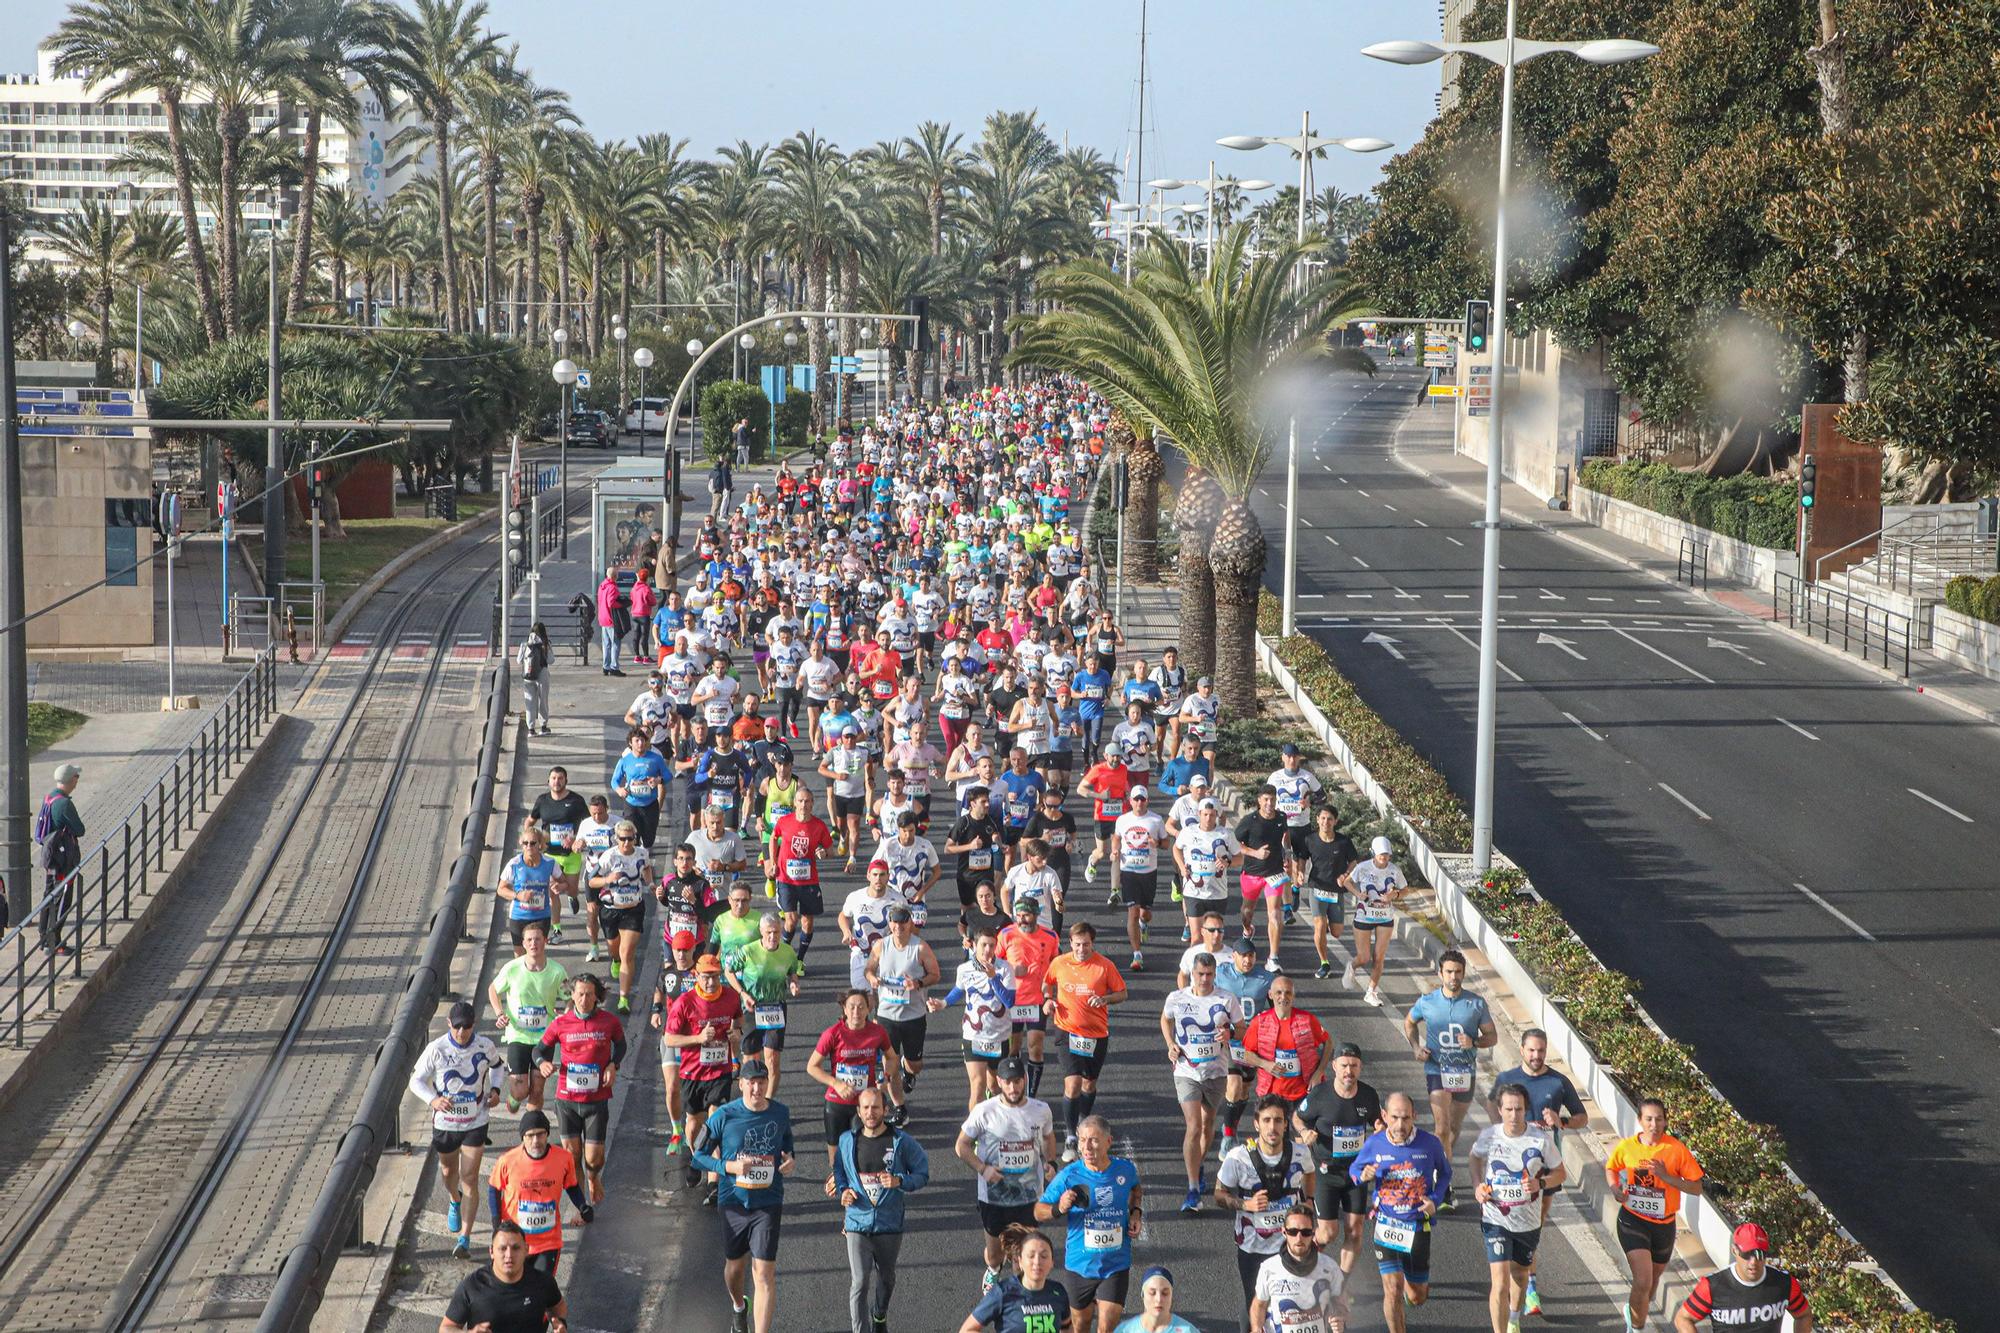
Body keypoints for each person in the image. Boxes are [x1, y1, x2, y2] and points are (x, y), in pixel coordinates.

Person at [1485, 1028, 1588, 1316]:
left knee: (1535, 1224)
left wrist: (1561, 1121)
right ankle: (1517, 1275)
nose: (1536, 1055)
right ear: (1521, 1050)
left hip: (1543, 1168)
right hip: (1510, 1169)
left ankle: (1527, 1279)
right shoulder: (1507, 1079)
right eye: (1531, 1050)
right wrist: (1499, 1131)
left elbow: (1582, 1117)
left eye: (1541, 1050)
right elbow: (1490, 1103)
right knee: (1510, 1220)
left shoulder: (1557, 1082)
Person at [691, 1057, 795, 1333]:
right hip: (733, 1202)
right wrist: (728, 1167)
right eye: (752, 1083)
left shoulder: (780, 1113)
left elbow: (787, 1145)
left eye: (762, 1083)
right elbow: (698, 1157)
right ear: (741, 1084)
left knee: (764, 1273)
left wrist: (789, 1160)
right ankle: (739, 1306)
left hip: (768, 1202)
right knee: (735, 1269)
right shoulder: (723, 1115)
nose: (757, 1089)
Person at [830, 1086, 931, 1333]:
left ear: (885, 1110)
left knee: (886, 1277)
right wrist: (843, 1191)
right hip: (857, 1222)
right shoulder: (847, 1141)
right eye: (865, 1108)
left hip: (889, 1223)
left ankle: (880, 1314)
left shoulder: (901, 1142)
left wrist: (901, 1181)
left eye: (875, 1107)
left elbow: (922, 1173)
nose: (871, 1112)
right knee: (860, 1282)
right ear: (859, 1111)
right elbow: (839, 1171)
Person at [1349, 1092, 1451, 1333]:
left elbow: (1445, 1174)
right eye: (1394, 1118)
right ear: (1384, 1116)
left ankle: (1412, 1289)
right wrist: (1361, 1176)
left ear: (1414, 1116)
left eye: (1406, 1118)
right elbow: (1355, 1168)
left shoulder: (1430, 1144)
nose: (1400, 1125)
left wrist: (1435, 1200)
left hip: (1417, 1225)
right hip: (1386, 1224)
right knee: (1392, 1289)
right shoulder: (1374, 1143)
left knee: (1417, 1297)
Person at [957, 1056, 1061, 1290]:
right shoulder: (984, 1111)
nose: (1013, 1088)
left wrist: (1051, 1162)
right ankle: (994, 1269)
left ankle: (1018, 1293)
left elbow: (1048, 1137)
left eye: (1017, 1081)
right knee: (995, 1255)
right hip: (994, 1198)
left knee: (1022, 1255)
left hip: (1029, 1196)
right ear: (999, 1083)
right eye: (1008, 1082)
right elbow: (961, 1146)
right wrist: (983, 1169)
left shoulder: (1040, 1110)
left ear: (1024, 1080)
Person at [410, 1001, 504, 1257]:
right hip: (446, 1123)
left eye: (468, 1026)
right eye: (458, 1026)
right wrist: (433, 1100)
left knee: (470, 1178)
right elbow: (415, 1080)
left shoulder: (484, 1045)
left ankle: (464, 1238)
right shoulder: (436, 1048)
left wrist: (495, 1091)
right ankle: (454, 1198)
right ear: (449, 1024)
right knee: (449, 1172)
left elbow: (497, 1067)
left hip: (476, 1119)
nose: (462, 1032)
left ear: (474, 1025)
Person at [1470, 1082, 1565, 1333]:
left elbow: (1560, 1173)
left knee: (1520, 1277)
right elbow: (1474, 1157)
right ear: (1500, 1110)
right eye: (1509, 1109)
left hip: (1528, 1222)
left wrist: (1540, 1182)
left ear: (1526, 1110)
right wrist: (1477, 1185)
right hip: (1495, 1218)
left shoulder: (1540, 1140)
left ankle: (1513, 1317)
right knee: (1499, 1283)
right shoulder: (1489, 1136)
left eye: (1519, 1110)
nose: (1514, 1115)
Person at [1036, 1116, 1144, 1333]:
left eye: (1093, 1140)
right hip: (1080, 1265)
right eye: (1082, 1140)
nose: (1086, 1147)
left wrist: (1135, 1213)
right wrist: (1059, 1208)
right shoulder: (1069, 1176)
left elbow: (1136, 1190)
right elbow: (1038, 1211)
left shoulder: (1125, 1170)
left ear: (1108, 1142)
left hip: (1116, 1264)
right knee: (1081, 1325)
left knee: (1106, 1328)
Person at [1606, 1098, 1705, 1333]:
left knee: (1650, 1285)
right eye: (1649, 1119)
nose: (1654, 1124)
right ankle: (1637, 1329)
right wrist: (1614, 1188)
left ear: (1665, 1121)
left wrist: (1666, 1176)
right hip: (1633, 1219)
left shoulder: (1676, 1149)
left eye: (1659, 1119)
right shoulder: (1628, 1147)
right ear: (1640, 1121)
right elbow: (1611, 1167)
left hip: (1664, 1225)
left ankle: (1633, 1312)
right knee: (1643, 1280)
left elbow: (1696, 1187)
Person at [1215, 1095, 1316, 1316]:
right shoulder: (1238, 1158)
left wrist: (1309, 1201)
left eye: (1278, 1120)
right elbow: (1219, 1194)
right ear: (1256, 1123)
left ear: (1286, 1123)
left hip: (1290, 1244)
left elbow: (1309, 1173)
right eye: (1267, 1120)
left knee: (1294, 1302)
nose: (1273, 1127)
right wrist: (1245, 1203)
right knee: (1256, 1304)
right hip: (1253, 1247)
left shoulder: (1300, 1153)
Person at [1403, 949, 1496, 1185]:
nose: (1453, 977)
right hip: (1437, 1070)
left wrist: (1473, 1041)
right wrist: (1415, 1047)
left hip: (1465, 1072)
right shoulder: (1427, 1002)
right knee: (1442, 1128)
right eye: (1449, 972)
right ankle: (1444, 1181)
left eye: (1458, 972)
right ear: (1440, 973)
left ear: (1463, 974)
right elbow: (1410, 1022)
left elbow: (1492, 1037)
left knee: (1454, 1127)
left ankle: (1442, 1163)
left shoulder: (1476, 1004)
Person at [1159, 950, 1240, 1213]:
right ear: (1191, 974)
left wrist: (1230, 1032)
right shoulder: (1177, 998)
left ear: (1215, 975)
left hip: (1216, 1072)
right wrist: (1171, 1044)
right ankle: (1193, 1188)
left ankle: (1198, 1163)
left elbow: (1242, 1027)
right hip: (1186, 1071)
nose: (1204, 979)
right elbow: (1165, 1019)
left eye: (1209, 975)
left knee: (1207, 1127)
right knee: (1193, 1127)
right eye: (1199, 974)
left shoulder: (1226, 999)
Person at [535, 973, 627, 1204]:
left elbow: (621, 1045)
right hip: (566, 1100)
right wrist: (543, 1064)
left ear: (597, 997)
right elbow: (539, 1051)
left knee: (593, 1159)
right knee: (572, 1157)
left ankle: (594, 1179)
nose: (584, 999)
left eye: (589, 995)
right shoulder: (560, 1023)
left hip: (596, 1101)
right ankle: (581, 1205)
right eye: (580, 994)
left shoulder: (609, 1022)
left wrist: (613, 1064)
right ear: (572, 995)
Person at [1294, 1042, 1383, 1275]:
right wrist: (1304, 1132)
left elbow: (1377, 1121)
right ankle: (1303, 1266)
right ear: (1334, 1066)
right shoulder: (1319, 1095)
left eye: (1354, 1066)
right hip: (1327, 1172)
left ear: (1360, 1068)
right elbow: (1297, 1117)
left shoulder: (1368, 1095)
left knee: (1355, 1230)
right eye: (1344, 1065)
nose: (1349, 1071)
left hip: (1356, 1173)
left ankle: (1340, 1284)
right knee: (1328, 1233)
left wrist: (1380, 1127)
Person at [1042, 921, 1127, 1158]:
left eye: (1086, 945)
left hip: (1096, 1034)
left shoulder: (1104, 966)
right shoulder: (1059, 962)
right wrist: (1048, 1000)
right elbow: (1047, 983)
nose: (1082, 949)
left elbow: (1122, 992)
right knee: (1073, 1083)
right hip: (1066, 1030)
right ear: (1070, 943)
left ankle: (1082, 1122)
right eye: (1078, 944)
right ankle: (1071, 1136)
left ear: (1093, 944)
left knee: (1089, 1084)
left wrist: (1105, 999)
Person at [664, 954, 743, 1195]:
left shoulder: (730, 996)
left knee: (716, 1119)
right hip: (693, 1072)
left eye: (715, 977)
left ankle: (714, 1181)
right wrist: (698, 1039)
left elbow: (738, 1018)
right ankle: (696, 1156)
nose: (711, 982)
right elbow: (669, 1038)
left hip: (720, 1069)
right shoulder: (685, 1002)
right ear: (697, 976)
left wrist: (736, 1034)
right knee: (694, 1123)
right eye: (706, 977)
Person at [486, 1110, 591, 1278]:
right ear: (523, 1137)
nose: (536, 1141)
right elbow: (494, 1189)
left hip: (548, 1241)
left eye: (540, 1134)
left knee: (540, 1292)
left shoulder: (563, 1158)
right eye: (530, 1135)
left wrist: (582, 1206)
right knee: (512, 1289)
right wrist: (496, 1221)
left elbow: (571, 1185)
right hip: (515, 1242)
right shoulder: (507, 1160)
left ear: (547, 1134)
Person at [868, 903, 942, 1125]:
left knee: (915, 1063)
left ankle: (909, 1071)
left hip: (913, 1016)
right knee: (888, 1064)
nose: (898, 926)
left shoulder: (920, 948)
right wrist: (872, 977)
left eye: (903, 921)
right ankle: (900, 1108)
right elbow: (869, 969)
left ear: (909, 923)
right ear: (889, 924)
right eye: (895, 922)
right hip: (886, 1016)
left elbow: (935, 974)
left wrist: (918, 982)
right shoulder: (881, 946)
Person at [934, 925, 1019, 1111]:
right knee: (978, 1085)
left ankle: (996, 1116)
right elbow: (958, 990)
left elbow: (1010, 1001)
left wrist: (993, 978)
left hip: (999, 1036)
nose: (988, 950)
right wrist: (943, 1003)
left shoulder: (1005, 969)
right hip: (973, 1034)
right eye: (984, 945)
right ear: (974, 945)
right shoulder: (964, 969)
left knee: (995, 1086)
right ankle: (974, 1136)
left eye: (991, 945)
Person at [809, 989, 895, 1168]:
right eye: (852, 1007)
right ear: (844, 1009)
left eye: (861, 1007)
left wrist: (885, 1077)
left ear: (868, 1009)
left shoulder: (877, 1032)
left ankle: (860, 1188)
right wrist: (836, 1084)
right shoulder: (832, 1033)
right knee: (836, 1153)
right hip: (836, 1102)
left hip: (864, 1104)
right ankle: (840, 1185)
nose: (856, 1012)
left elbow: (892, 1057)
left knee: (861, 1150)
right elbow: (812, 1067)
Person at [488, 921, 568, 1111]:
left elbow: (569, 997)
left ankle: (531, 1130)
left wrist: (565, 1015)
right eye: (529, 940)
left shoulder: (557, 971)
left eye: (537, 939)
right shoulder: (512, 968)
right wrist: (499, 1013)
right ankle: (514, 1098)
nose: (534, 944)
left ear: (545, 941)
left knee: (537, 1090)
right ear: (523, 944)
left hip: (544, 1038)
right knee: (521, 1090)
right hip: (518, 1036)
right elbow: (493, 989)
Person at [1675, 1223, 1812, 1333]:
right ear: (1734, 1251)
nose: (1753, 1262)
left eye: (1759, 1255)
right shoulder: (1712, 1286)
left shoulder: (1784, 1284)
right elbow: (1683, 1319)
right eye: (1747, 1254)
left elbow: (1803, 1315)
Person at [439, 1220, 568, 1333]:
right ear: (491, 1251)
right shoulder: (472, 1286)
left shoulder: (543, 1282)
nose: (509, 1255)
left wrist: (560, 1324)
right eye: (502, 1248)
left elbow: (558, 1307)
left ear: (526, 1250)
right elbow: (446, 1328)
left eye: (516, 1248)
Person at [1238, 973, 1330, 1119]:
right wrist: (1265, 1064)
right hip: (1271, 1094)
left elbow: (1328, 1042)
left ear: (1293, 995)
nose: (1283, 997)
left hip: (1304, 1092)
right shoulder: (1259, 1022)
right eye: (1278, 992)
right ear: (1270, 995)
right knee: (1275, 1138)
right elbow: (1246, 1054)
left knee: (1304, 1137)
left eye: (1288, 993)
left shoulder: (1307, 1020)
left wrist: (1319, 1072)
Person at [1214, 937, 1276, 1154]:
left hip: (1252, 1042)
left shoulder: (1265, 979)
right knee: (1233, 1085)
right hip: (1229, 1040)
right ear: (1234, 957)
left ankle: (1231, 1124)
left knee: (1244, 1089)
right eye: (1243, 956)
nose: (1247, 960)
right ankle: (1228, 1137)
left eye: (1251, 956)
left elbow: (1274, 1010)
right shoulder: (1221, 974)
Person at [1248, 1206, 1350, 1333]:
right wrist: (1256, 1328)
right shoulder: (1269, 1269)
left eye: (1305, 1232)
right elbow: (1259, 1305)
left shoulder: (1329, 1267)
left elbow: (1341, 1303)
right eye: (1293, 1232)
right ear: (1284, 1232)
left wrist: (1339, 1318)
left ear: (1313, 1233)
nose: (1299, 1238)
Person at [586, 819, 653, 1012]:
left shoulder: (642, 853)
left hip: (633, 909)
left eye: (630, 839)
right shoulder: (609, 857)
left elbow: (647, 868)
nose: (626, 843)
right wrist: (607, 879)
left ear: (634, 838)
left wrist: (649, 884)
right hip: (610, 909)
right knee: (614, 949)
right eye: (622, 839)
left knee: (627, 953)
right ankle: (614, 960)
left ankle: (624, 998)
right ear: (616, 839)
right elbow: (591, 881)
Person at [768, 785, 834, 966]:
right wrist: (773, 862)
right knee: (791, 920)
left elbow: (830, 850)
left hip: (809, 881)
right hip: (786, 879)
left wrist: (824, 853)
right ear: (794, 803)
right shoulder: (784, 821)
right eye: (800, 801)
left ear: (812, 804)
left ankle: (799, 960)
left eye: (807, 801)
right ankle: (781, 956)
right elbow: (773, 838)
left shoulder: (819, 826)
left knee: (807, 923)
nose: (803, 805)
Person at [959, 1224, 1069, 1333]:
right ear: (1020, 1261)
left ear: (1052, 1262)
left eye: (1044, 1256)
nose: (1037, 1262)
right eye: (1031, 1256)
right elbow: (967, 1329)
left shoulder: (1058, 1292)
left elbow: (1067, 1327)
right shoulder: (1002, 1293)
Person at [999, 898, 1060, 1093]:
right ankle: (1012, 1091)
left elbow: (1056, 965)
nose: (1021, 919)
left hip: (1037, 1001)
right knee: (1012, 1049)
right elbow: (992, 963)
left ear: (1035, 915)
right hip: (1012, 1002)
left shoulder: (1050, 936)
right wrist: (1010, 970)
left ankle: (1031, 1094)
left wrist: (1051, 994)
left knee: (1036, 1047)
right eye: (1018, 915)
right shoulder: (1006, 935)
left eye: (1025, 915)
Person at [1233, 787, 1291, 971]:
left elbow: (1285, 837)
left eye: (1272, 799)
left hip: (1274, 873)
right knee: (1247, 911)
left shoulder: (1281, 818)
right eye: (1266, 799)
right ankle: (1247, 929)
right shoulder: (1250, 821)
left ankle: (1273, 958)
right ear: (1259, 800)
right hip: (1252, 873)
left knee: (1274, 913)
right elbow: (1235, 844)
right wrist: (1255, 853)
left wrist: (1287, 854)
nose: (1269, 803)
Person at [1343, 837, 1406, 1004]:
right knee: (1364, 957)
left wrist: (1396, 895)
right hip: (1364, 915)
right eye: (1380, 855)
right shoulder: (1362, 868)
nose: (1384, 858)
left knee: (1379, 957)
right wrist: (1357, 894)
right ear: (1374, 854)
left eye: (1386, 855)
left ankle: (1371, 991)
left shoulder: (1394, 870)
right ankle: (1352, 965)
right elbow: (1347, 882)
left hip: (1385, 916)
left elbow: (1405, 889)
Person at [1111, 786, 1167, 972]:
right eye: (1136, 799)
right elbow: (1117, 838)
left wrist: (1156, 843)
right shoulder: (1123, 819)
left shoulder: (1156, 820)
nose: (1139, 803)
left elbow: (1166, 843)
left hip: (1149, 872)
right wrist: (1115, 850)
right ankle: (1137, 955)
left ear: (1147, 801)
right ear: (1131, 801)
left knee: (1145, 914)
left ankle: (1144, 924)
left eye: (1142, 799)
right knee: (1132, 912)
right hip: (1129, 871)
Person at [1171, 796, 1239, 947]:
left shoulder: (1226, 834)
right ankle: (1194, 970)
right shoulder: (1188, 832)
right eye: (1205, 814)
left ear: (1216, 815)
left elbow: (1240, 858)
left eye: (1212, 815)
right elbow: (1176, 848)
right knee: (1196, 938)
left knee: (1214, 938)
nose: (1208, 818)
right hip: (1193, 892)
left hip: (1217, 892)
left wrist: (1227, 862)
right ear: (1199, 814)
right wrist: (1182, 867)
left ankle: (1212, 969)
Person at [1266, 743, 1323, 920]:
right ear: (1283, 757)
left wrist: (1309, 802)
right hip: (1282, 826)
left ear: (1299, 758)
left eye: (1294, 757)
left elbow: (1322, 796)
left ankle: (1296, 888)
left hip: (1302, 825)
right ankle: (1287, 906)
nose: (1291, 760)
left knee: (1301, 864)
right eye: (1288, 756)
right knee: (1285, 863)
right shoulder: (1274, 777)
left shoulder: (1307, 777)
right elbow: (1265, 798)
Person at [1300, 805, 1357, 980]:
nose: (1326, 822)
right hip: (1317, 889)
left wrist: (1346, 875)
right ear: (1317, 820)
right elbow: (1302, 857)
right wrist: (1300, 872)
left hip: (1336, 892)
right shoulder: (1310, 840)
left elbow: (1354, 861)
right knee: (1319, 924)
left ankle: (1324, 929)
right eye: (1323, 818)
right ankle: (1324, 963)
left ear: (1335, 821)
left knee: (1337, 932)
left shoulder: (1343, 842)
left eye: (1330, 819)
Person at [528, 767, 591, 921]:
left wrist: (575, 838)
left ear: (566, 781)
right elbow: (531, 820)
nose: (557, 781)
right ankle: (556, 929)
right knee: (552, 892)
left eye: (560, 778)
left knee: (571, 889)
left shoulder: (576, 801)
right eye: (554, 778)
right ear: (548, 781)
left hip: (571, 854)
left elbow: (588, 824)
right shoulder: (542, 800)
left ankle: (572, 897)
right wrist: (528, 838)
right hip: (549, 854)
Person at [498, 825, 562, 954]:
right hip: (519, 915)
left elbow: (564, 883)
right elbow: (501, 889)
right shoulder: (514, 863)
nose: (528, 846)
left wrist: (559, 886)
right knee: (519, 955)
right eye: (525, 843)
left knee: (537, 953)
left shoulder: (550, 863)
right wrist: (518, 896)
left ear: (540, 844)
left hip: (541, 915)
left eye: (533, 843)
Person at [611, 727, 670, 852]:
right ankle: (636, 859)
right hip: (631, 804)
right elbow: (614, 780)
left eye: (643, 740)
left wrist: (658, 780)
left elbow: (668, 775)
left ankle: (646, 850)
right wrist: (619, 790)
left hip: (650, 804)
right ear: (630, 743)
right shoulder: (625, 760)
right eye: (637, 740)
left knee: (649, 838)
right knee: (632, 835)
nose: (640, 743)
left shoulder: (655, 758)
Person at [1112, 1267, 1201, 1333]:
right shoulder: (1125, 1330)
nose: (1158, 1299)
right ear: (1142, 1295)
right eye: (1152, 1293)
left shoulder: (1187, 1330)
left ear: (1171, 1296)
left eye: (1165, 1293)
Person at [519, 620, 554, 735]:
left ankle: (531, 729)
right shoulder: (545, 643)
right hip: (542, 674)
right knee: (543, 700)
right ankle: (543, 727)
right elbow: (551, 660)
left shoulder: (524, 644)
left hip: (528, 676)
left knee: (530, 702)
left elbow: (519, 661)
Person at [596, 567, 627, 675]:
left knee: (606, 644)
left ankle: (606, 666)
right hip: (611, 619)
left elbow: (600, 600)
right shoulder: (612, 587)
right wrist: (622, 605)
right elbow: (611, 603)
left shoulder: (602, 585)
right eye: (617, 575)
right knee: (615, 643)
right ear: (614, 576)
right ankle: (614, 667)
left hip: (603, 618)